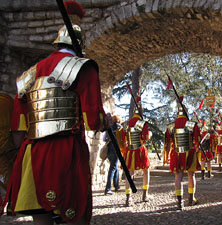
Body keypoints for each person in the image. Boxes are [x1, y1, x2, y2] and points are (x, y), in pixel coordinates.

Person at [1, 1, 107, 224]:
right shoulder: (84, 68)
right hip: (66, 152)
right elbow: (92, 121)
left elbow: (19, 128)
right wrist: (103, 121)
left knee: (41, 218)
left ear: (57, 42)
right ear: (79, 45)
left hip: (33, 153)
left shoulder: (30, 73)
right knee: (74, 215)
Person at [164, 99, 200, 210]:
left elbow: (167, 144)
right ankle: (191, 199)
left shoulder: (170, 126)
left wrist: (166, 157)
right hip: (189, 152)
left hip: (176, 153)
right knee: (191, 175)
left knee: (178, 176)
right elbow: (197, 140)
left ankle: (179, 203)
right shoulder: (192, 125)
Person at [121, 98, 151, 207]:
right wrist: (150, 134)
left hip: (129, 150)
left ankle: (128, 198)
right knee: (146, 171)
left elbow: (123, 140)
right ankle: (145, 194)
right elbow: (146, 137)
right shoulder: (143, 123)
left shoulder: (126, 124)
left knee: (130, 174)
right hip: (140, 150)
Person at [103, 115, 122, 195]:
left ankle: (116, 185)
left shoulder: (108, 128)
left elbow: (104, 139)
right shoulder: (119, 127)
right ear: (118, 120)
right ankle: (108, 189)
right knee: (112, 168)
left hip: (109, 149)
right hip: (116, 150)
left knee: (114, 167)